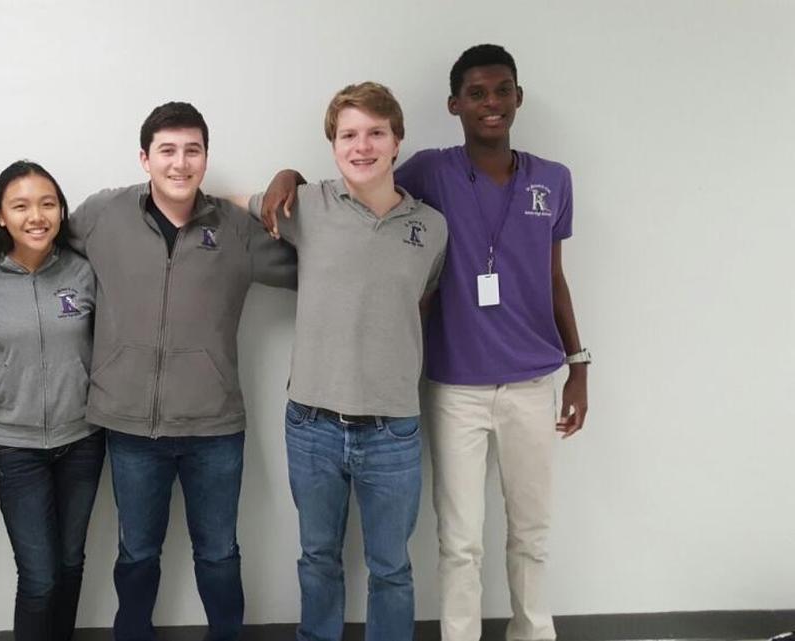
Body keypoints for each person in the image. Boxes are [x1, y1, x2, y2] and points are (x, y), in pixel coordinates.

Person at [262, 44, 590, 641]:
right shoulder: (431, 171)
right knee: (459, 541)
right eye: (476, 93)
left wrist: (579, 364)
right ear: (454, 105)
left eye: (502, 91)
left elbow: (554, 276)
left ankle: (533, 632)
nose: (491, 103)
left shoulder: (552, 179)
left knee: (532, 531)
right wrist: (290, 177)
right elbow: (359, 195)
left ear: (518, 97)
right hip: (453, 384)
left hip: (530, 381)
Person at [66, 102, 296, 641]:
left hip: (214, 428)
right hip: (129, 426)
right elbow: (42, 249)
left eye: (192, 150)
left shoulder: (234, 229)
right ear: (144, 158)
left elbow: (320, 265)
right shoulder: (103, 215)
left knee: (218, 553)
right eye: (167, 150)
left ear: (205, 158)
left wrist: (291, 184)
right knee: (137, 553)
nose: (180, 162)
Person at [237, 82, 446, 641]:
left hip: (392, 427)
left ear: (397, 141)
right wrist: (284, 174)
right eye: (348, 135)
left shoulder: (432, 228)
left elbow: (421, 299)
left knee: (392, 568)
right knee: (318, 558)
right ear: (333, 146)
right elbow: (237, 206)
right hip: (312, 424)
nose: (362, 146)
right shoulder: (307, 205)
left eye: (376, 133)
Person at [0, 160, 104, 641]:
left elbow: (101, 344)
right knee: (40, 576)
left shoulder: (83, 271)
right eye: (21, 206)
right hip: (16, 444)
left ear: (61, 210)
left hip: (82, 437)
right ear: (0, 215)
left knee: (70, 563)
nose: (36, 216)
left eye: (48, 204)